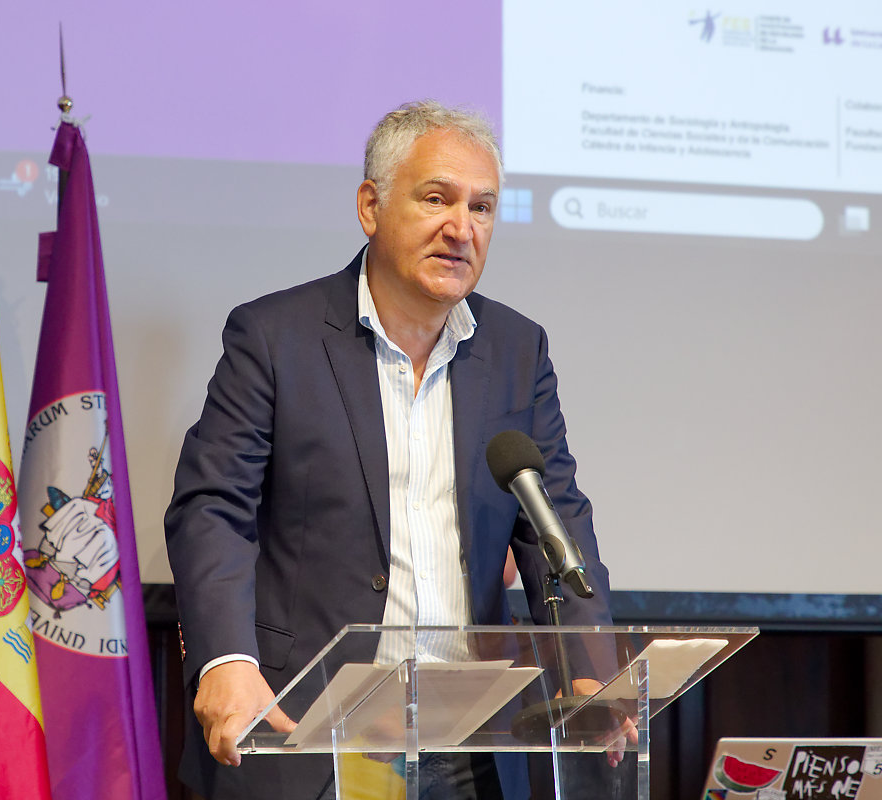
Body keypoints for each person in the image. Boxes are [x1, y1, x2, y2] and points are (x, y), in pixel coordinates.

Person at [164, 100, 614, 799]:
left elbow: (554, 520)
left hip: (470, 746)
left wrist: (591, 667)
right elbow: (211, 509)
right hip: (308, 732)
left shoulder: (517, 350)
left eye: (482, 207)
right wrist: (225, 659)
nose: (461, 228)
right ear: (370, 207)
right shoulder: (274, 337)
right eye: (436, 199)